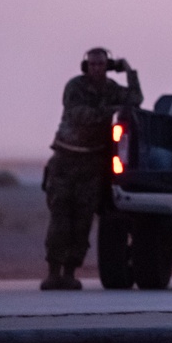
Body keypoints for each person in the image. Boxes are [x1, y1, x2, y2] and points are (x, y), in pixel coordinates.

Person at [41, 47, 143, 290]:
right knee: (60, 218)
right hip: (66, 160)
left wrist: (129, 71)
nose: (96, 68)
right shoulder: (75, 87)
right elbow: (80, 115)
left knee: (83, 221)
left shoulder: (112, 90)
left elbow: (136, 100)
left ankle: (69, 272)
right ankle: (53, 272)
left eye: (101, 64)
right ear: (86, 66)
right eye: (93, 64)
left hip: (92, 163)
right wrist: (113, 110)